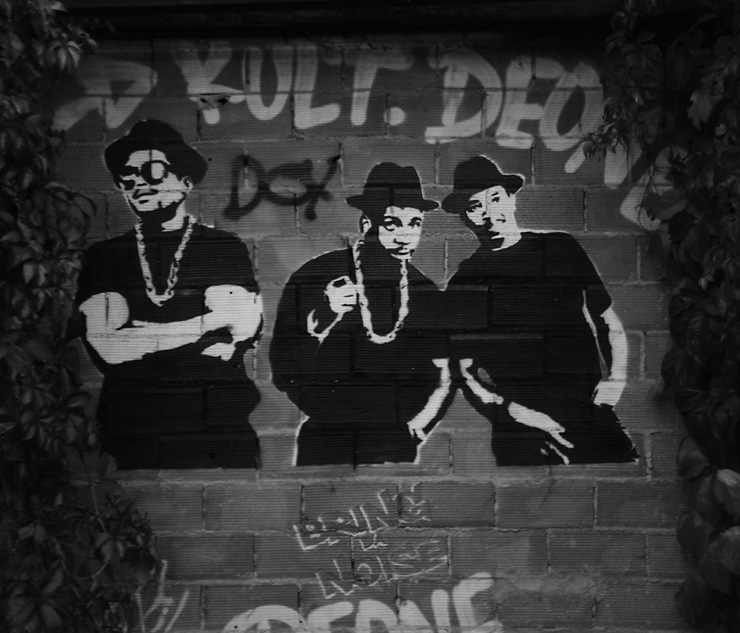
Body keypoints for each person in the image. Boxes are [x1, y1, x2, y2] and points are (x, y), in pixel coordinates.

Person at [76, 120, 263, 469]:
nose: (138, 183)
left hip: (220, 432)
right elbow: (110, 349)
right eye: (127, 177)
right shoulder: (105, 257)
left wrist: (144, 335)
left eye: (153, 171)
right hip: (132, 433)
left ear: (186, 181)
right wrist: (207, 323)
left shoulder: (222, 248)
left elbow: (242, 326)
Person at [443, 155, 638, 465]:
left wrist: (615, 381)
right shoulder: (464, 281)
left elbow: (605, 318)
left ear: (511, 200)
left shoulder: (560, 247)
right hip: (523, 435)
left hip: (591, 417)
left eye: (495, 198)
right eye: (475, 206)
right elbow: (464, 371)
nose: (490, 214)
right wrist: (510, 411)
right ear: (465, 218)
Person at [270, 163, 452, 466]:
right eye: (392, 224)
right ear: (368, 224)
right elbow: (283, 368)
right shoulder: (318, 274)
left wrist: (418, 429)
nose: (405, 236)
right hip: (325, 440)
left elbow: (445, 374)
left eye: (414, 224)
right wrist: (325, 315)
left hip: (395, 444)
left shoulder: (423, 291)